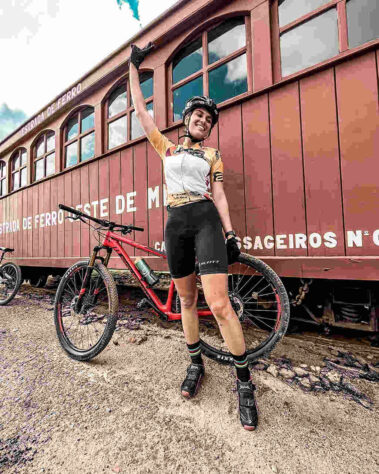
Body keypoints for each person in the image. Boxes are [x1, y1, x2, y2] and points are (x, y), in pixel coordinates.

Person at [129, 43, 258, 430]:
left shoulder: (213, 155)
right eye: (198, 115)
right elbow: (140, 111)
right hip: (175, 224)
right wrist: (133, 69)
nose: (203, 121)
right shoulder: (165, 148)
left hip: (204, 220)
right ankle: (195, 364)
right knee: (186, 299)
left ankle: (245, 384)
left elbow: (218, 194)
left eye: (208, 119)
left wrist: (231, 233)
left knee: (219, 305)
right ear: (187, 120)